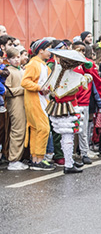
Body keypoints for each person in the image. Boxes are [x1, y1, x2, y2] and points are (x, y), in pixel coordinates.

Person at [45, 49, 94, 174]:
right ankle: (68, 163)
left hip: (58, 106)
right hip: (69, 107)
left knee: (64, 136)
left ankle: (69, 160)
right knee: (68, 136)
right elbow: (85, 82)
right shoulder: (76, 76)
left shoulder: (56, 71)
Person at [21, 38, 54, 170]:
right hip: (35, 100)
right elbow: (25, 82)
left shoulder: (43, 65)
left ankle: (36, 159)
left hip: (41, 100)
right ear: (40, 50)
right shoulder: (34, 64)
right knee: (43, 129)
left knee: (36, 130)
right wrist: (39, 87)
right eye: (48, 49)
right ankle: (38, 158)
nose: (50, 52)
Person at [4, 47, 26, 170]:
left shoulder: (20, 70)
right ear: (8, 59)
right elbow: (7, 91)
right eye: (13, 58)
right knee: (17, 130)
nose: (16, 60)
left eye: (18, 57)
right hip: (15, 103)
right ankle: (13, 159)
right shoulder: (8, 71)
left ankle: (19, 157)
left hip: (23, 102)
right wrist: (23, 89)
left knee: (22, 130)